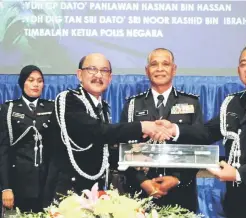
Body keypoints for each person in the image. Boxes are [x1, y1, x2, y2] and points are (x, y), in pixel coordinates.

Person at [157, 43, 246, 218]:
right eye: (243, 64)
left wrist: (239, 174)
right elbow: (207, 132)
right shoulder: (233, 102)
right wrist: (174, 129)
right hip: (237, 197)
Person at [42, 53, 172, 207]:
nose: (98, 75)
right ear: (79, 74)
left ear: (110, 78)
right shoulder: (68, 100)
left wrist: (135, 157)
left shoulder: (103, 108)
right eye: (92, 69)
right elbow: (95, 131)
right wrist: (142, 126)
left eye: (104, 71)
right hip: (66, 192)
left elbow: (103, 151)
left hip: (94, 192)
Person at [120, 48, 203, 212]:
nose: (159, 69)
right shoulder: (132, 105)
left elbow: (198, 145)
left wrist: (176, 179)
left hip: (181, 193)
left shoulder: (191, 103)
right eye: (154, 64)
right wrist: (142, 181)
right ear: (146, 70)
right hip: (140, 194)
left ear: (174, 69)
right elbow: (123, 149)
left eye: (165, 64)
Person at [0, 65, 54, 212]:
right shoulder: (10, 109)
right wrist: (6, 187)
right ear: (22, 83)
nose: (36, 84)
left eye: (39, 81)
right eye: (31, 80)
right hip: (19, 183)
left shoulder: (51, 108)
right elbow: (3, 150)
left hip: (47, 183)